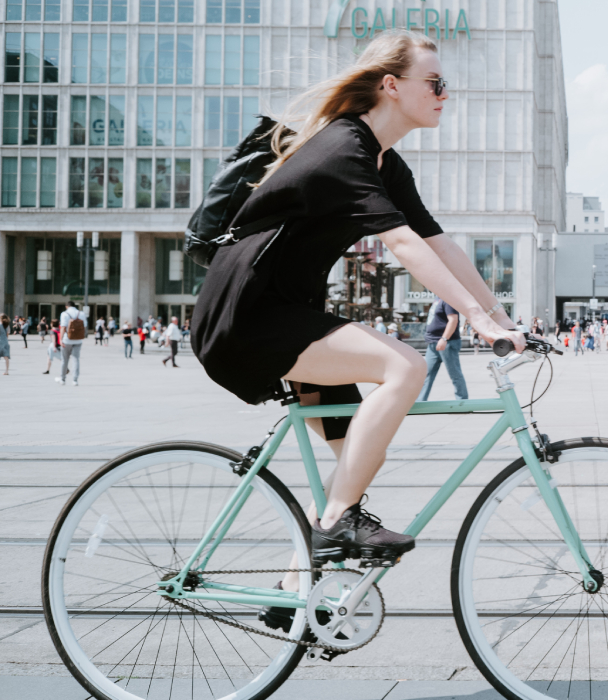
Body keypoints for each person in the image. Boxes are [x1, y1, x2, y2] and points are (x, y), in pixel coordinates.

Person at [189, 30, 525, 625]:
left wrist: (500, 318)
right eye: (437, 83)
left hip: (288, 319)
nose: (446, 94)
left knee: (359, 455)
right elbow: (400, 245)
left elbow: (437, 244)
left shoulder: (383, 162)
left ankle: (292, 594)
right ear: (392, 87)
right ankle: (337, 528)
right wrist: (473, 320)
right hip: (247, 322)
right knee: (405, 365)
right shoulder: (345, 148)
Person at [417, 297, 468, 401]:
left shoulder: (448, 298)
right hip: (433, 343)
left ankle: (462, 401)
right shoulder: (438, 299)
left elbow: (453, 319)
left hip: (447, 342)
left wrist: (444, 338)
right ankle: (420, 401)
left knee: (455, 374)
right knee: (426, 374)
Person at [57, 301, 87, 386]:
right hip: (78, 340)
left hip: (67, 340)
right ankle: (75, 380)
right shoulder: (81, 313)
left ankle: (62, 379)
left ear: (67, 306)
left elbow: (63, 327)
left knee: (64, 360)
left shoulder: (64, 313)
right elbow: (84, 326)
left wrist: (60, 340)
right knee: (76, 359)